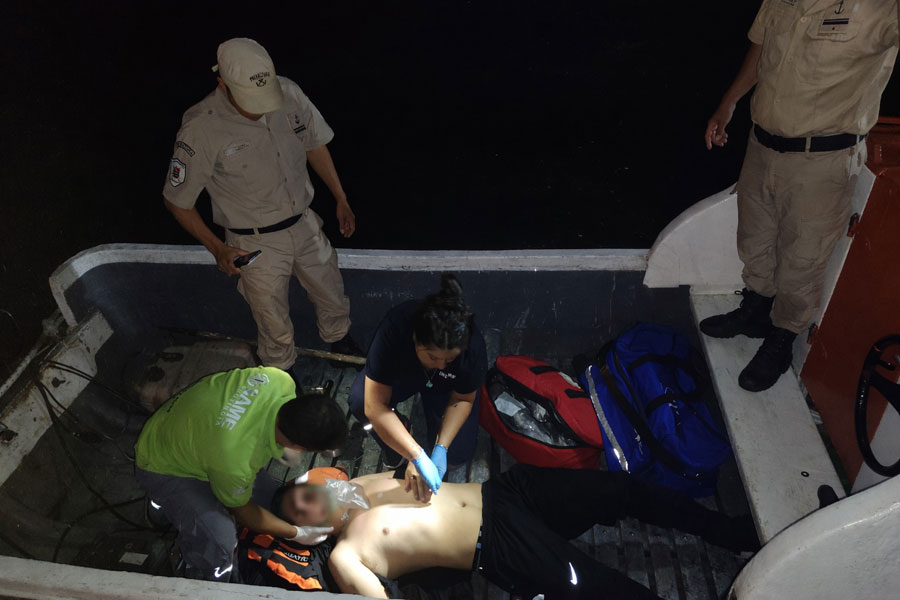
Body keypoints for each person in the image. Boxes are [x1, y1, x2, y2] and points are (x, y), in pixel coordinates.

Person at [700, 1, 899, 392]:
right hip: (762, 144)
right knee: (754, 238)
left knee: (803, 259)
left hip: (824, 159)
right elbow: (762, 45)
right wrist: (729, 101)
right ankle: (756, 310)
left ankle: (782, 337)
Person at [162, 38, 363, 383]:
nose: (259, 109)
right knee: (272, 320)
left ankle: (339, 342)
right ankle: (283, 377)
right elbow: (177, 201)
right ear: (222, 84)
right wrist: (218, 248)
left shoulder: (290, 93)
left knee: (331, 290)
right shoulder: (200, 127)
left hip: (305, 222)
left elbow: (314, 144)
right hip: (254, 242)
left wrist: (341, 198)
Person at [273, 464, 759, 599]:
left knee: (619, 489)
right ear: (308, 529)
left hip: (506, 491)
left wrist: (418, 459)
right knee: (600, 586)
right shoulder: (347, 554)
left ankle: (729, 532)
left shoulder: (358, 484)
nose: (311, 499)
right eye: (301, 509)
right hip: (498, 544)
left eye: (306, 491)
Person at [133, 366, 348, 580]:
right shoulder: (236, 461)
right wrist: (296, 533)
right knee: (220, 540)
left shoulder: (278, 379)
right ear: (298, 446)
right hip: (161, 464)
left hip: (187, 428)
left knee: (274, 499)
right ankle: (201, 578)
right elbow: (241, 511)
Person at [347, 274, 487, 502]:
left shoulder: (473, 346)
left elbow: (463, 398)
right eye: (433, 356)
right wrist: (415, 454)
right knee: (359, 401)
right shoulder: (395, 328)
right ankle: (396, 438)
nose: (441, 365)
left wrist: (441, 447)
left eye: (449, 359)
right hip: (405, 376)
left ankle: (432, 445)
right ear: (415, 338)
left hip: (446, 387)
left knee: (458, 453)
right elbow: (375, 405)